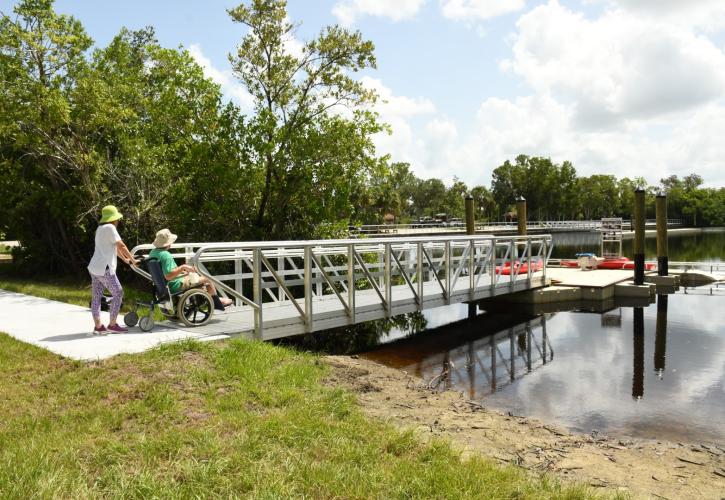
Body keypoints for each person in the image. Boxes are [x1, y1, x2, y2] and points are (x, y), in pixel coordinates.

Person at [148, 228, 232, 310]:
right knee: (208, 279)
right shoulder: (166, 255)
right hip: (175, 285)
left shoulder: (153, 253)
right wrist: (183, 267)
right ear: (169, 243)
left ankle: (209, 298)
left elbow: (165, 272)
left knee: (195, 276)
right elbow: (168, 276)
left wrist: (182, 271)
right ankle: (217, 302)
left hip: (164, 286)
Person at [87, 205, 138, 334]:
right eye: (117, 219)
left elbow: (113, 248)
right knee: (118, 293)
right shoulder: (110, 227)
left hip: (94, 268)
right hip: (104, 269)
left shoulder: (100, 228)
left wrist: (125, 260)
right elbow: (121, 245)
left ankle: (98, 327)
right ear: (113, 219)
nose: (118, 221)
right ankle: (113, 324)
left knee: (97, 297)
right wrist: (133, 259)